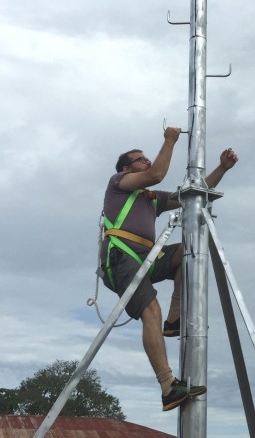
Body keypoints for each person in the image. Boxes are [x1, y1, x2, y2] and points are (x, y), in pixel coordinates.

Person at [100, 127, 238, 411]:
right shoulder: (119, 183)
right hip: (121, 256)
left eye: (147, 158)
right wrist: (169, 140)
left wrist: (221, 169)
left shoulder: (151, 198)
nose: (147, 162)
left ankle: (174, 319)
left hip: (145, 256)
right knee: (150, 310)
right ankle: (167, 385)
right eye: (141, 159)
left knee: (189, 252)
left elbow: (194, 196)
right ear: (127, 169)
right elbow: (156, 174)